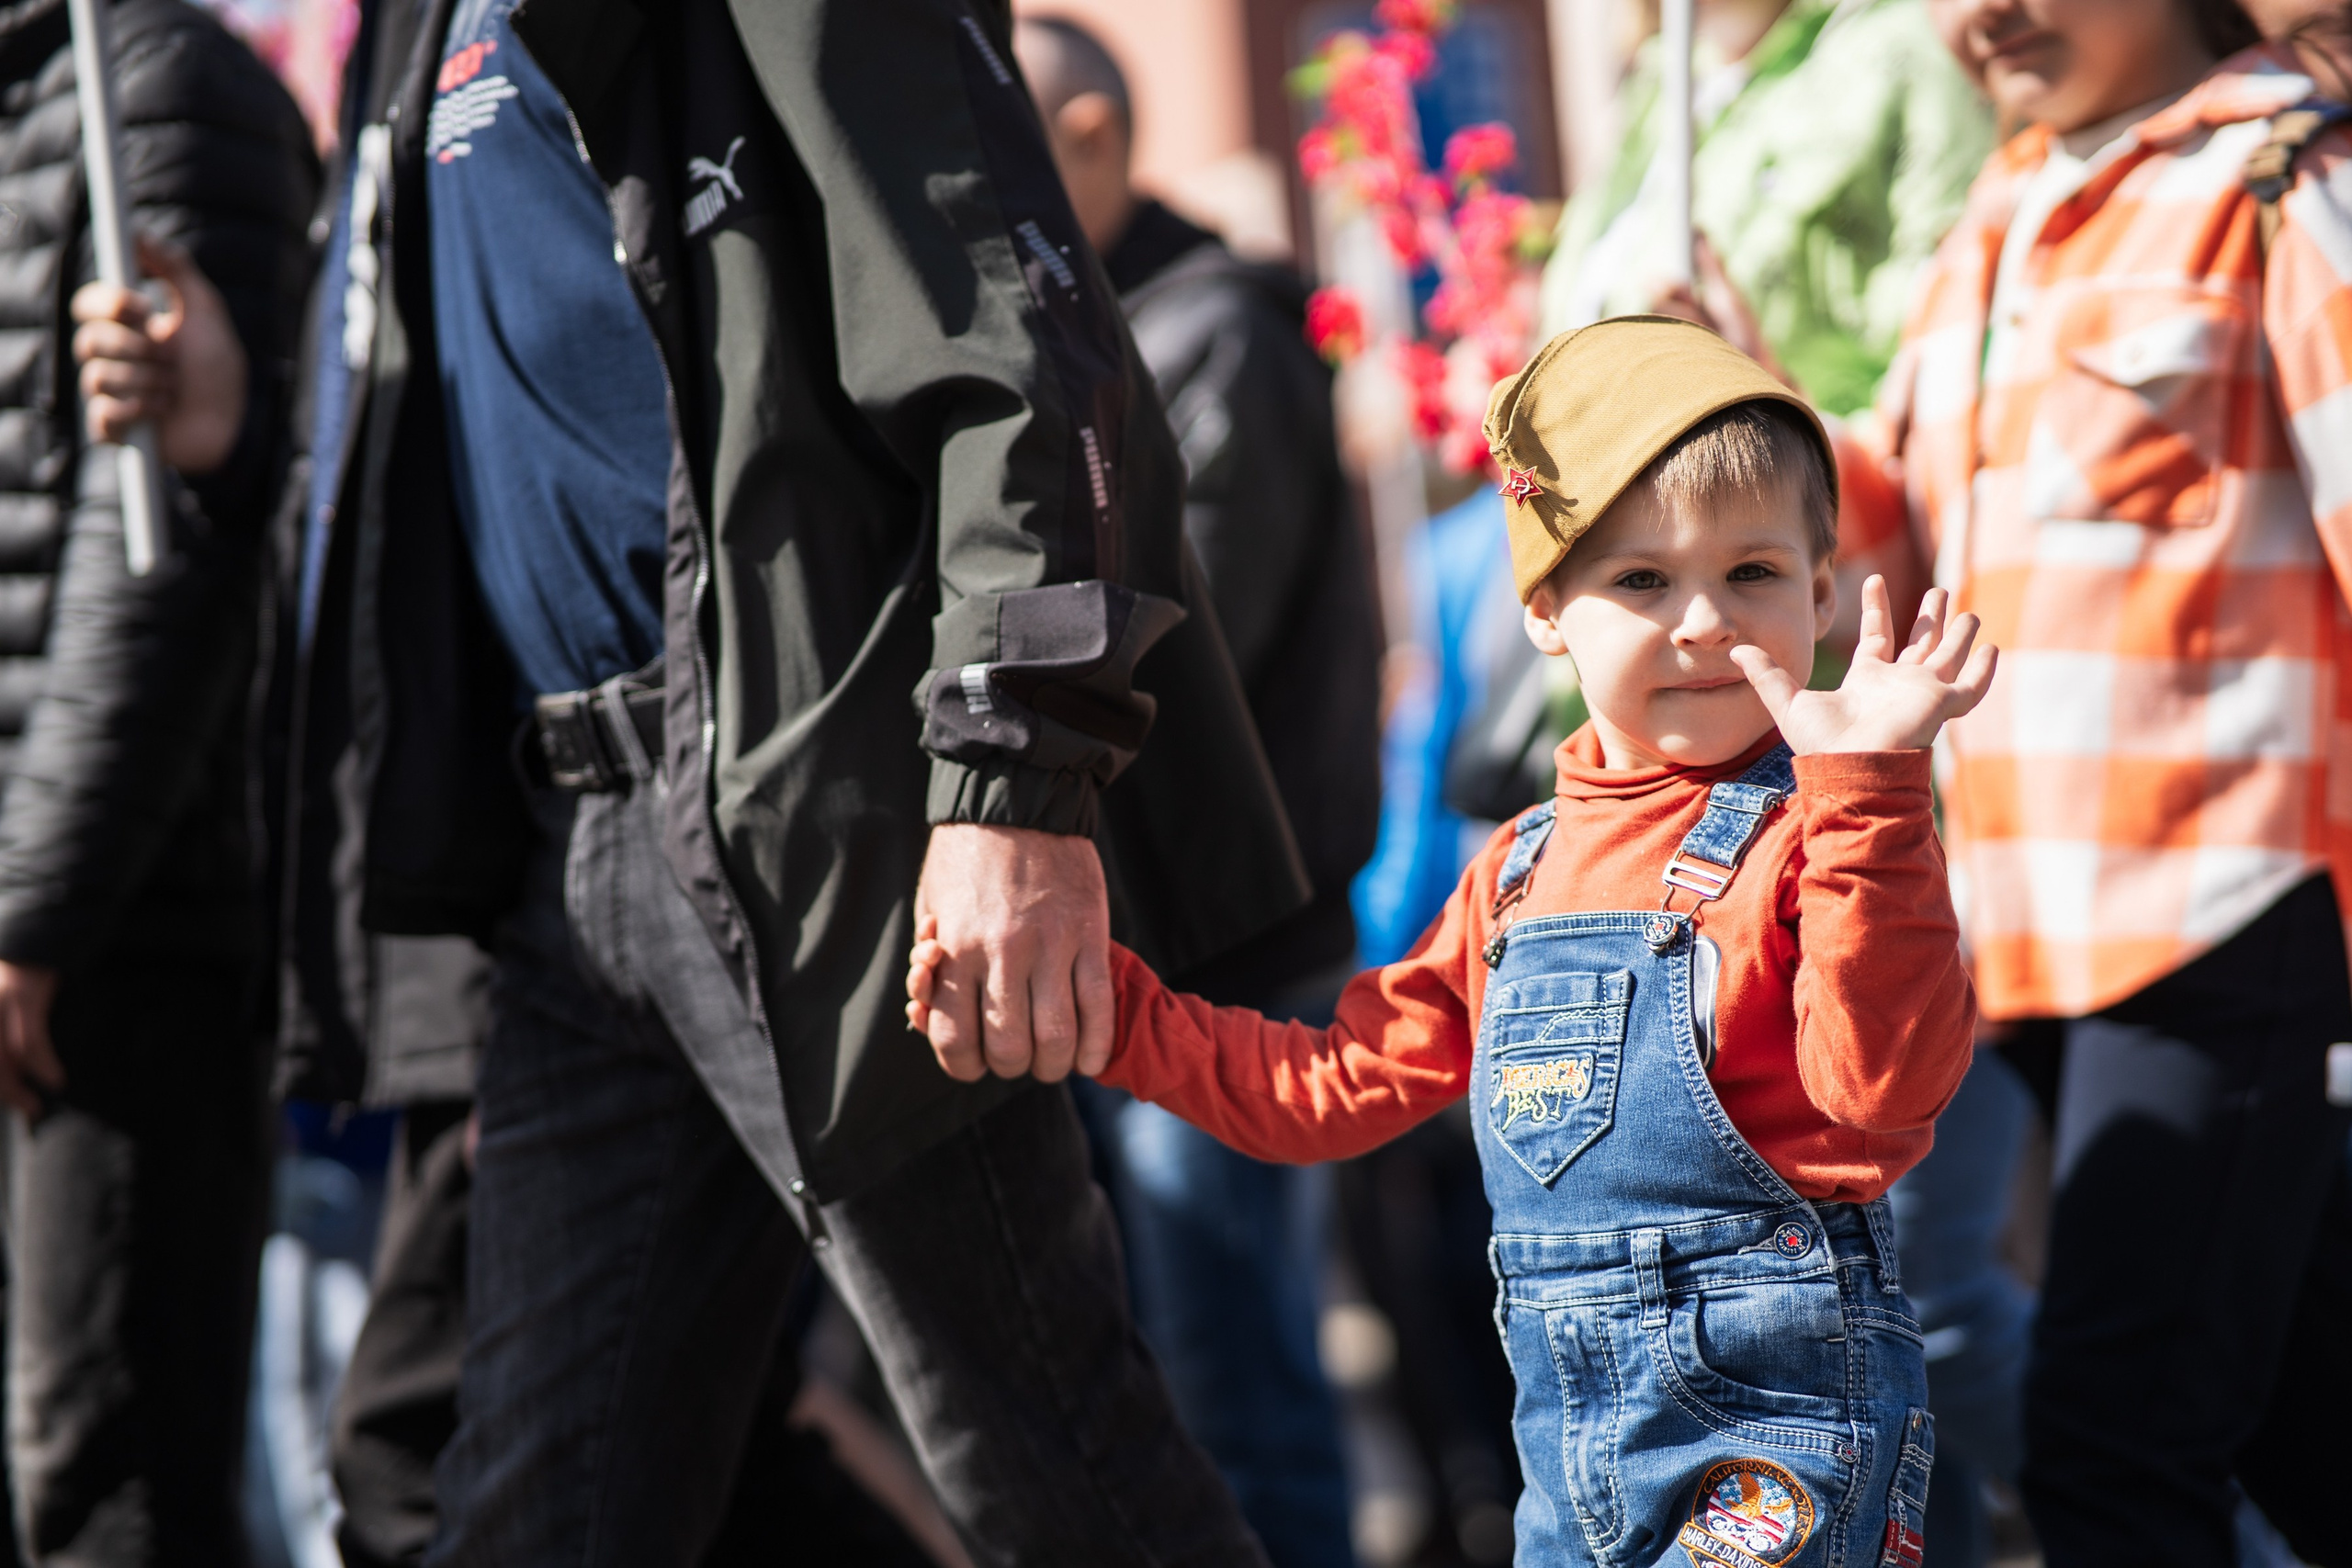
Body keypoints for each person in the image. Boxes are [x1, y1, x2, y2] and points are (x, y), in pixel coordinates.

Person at [81, 0, 1309, 1563]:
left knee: (1045, 1463)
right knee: (532, 1517)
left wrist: (1010, 788)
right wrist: (236, 426)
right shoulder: (405, 31)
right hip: (568, 854)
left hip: (826, 825)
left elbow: (1021, 352)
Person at [913, 316, 1997, 1567]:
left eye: (1752, 573)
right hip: (1575, 1475)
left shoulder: (1833, 831)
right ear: (1546, 612)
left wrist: (1871, 791)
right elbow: (1333, 1086)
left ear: (1819, 590)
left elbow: (1882, 1096)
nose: (1703, 620)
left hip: (1782, 1440)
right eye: (1641, 581)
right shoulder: (1519, 869)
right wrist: (1103, 1005)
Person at [1835, 0, 2352, 1557]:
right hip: (2031, 931)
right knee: (2299, 1422)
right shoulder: (1997, 212)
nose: (1976, 15)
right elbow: (1908, 546)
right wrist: (1756, 410)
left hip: (2228, 910)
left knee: (2114, 1452)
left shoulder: (2282, 182)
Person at [1012, 20, 1378, 1568]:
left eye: (1002, 128)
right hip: (1128, 949)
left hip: (1226, 950)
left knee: (1242, 1373)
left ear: (1093, 130)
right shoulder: (1096, 328)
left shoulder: (1210, 325)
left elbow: (1170, 627)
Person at [0, 3, 315, 1561]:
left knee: (102, 1466)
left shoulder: (156, 93)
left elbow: (163, 559)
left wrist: (28, 919)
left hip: (121, 939)